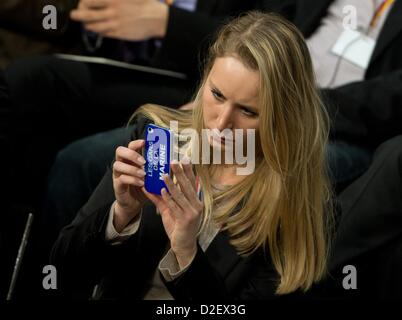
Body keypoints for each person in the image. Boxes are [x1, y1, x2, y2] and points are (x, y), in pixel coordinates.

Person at [51, 11, 333, 299]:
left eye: (248, 111)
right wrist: (119, 217)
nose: (222, 123)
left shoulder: (293, 206)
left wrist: (186, 253)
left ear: (283, 117)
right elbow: (63, 270)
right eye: (217, 95)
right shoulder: (157, 138)